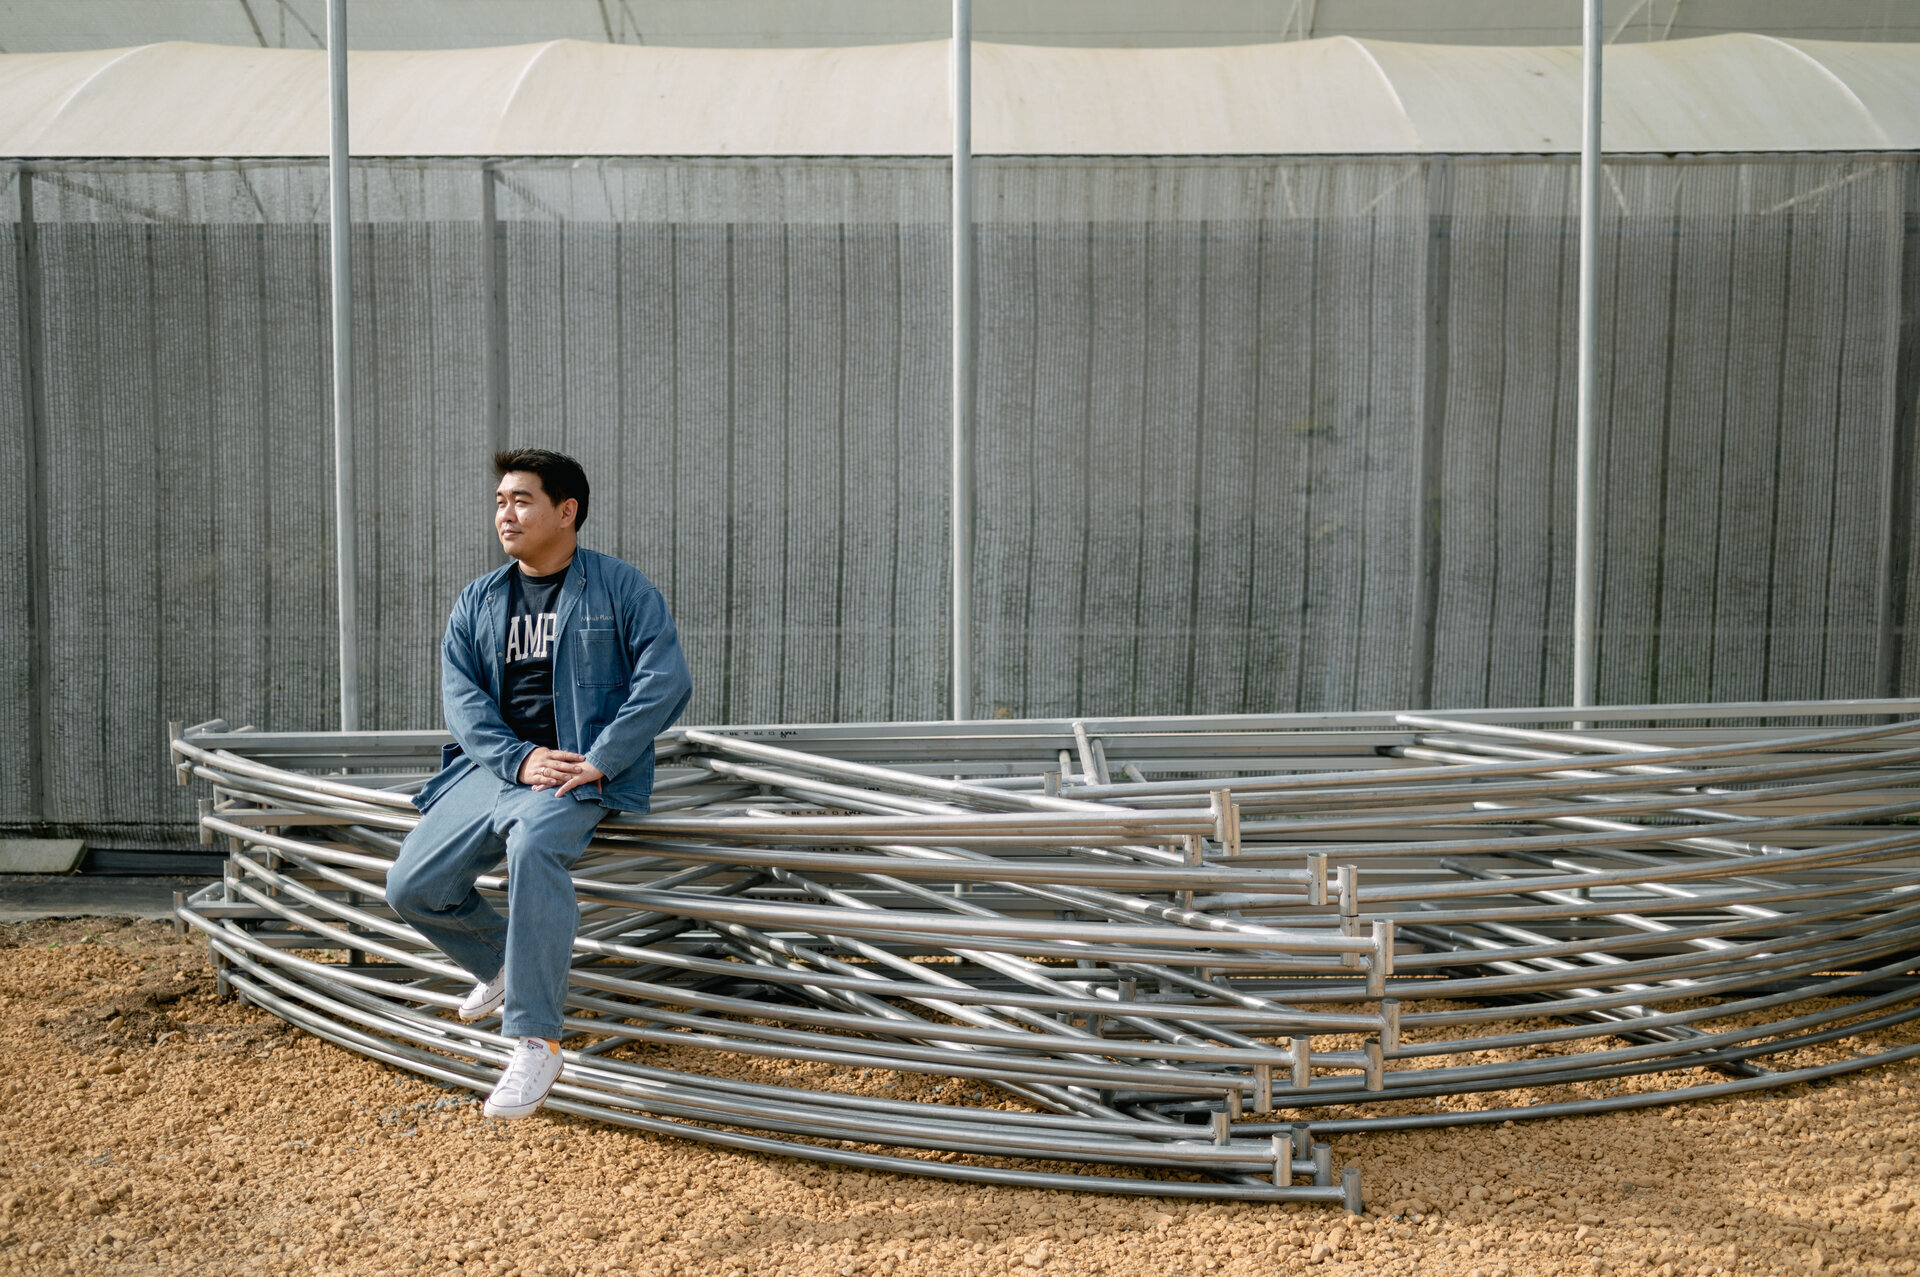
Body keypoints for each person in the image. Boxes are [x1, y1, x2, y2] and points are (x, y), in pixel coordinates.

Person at [385, 448, 692, 1119]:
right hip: (498, 766)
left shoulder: (619, 587)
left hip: (577, 771)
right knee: (411, 885)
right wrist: (516, 758)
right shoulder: (480, 598)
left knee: (533, 848)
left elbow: (665, 678)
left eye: (521, 499)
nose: (505, 513)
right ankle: (500, 964)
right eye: (500, 500)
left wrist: (603, 756)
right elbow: (461, 697)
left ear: (566, 511)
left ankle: (535, 1036)